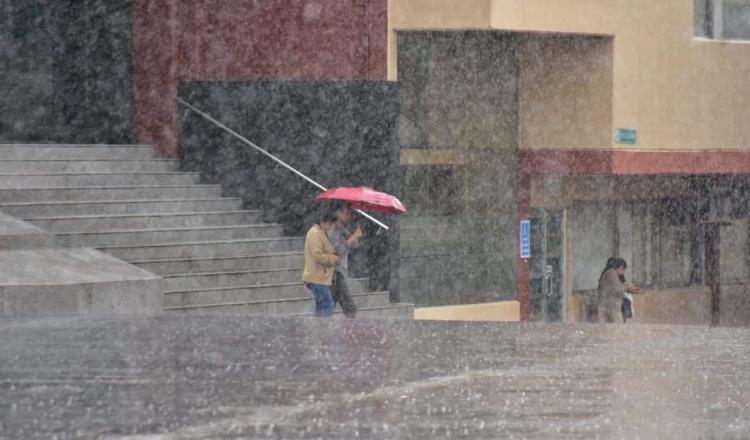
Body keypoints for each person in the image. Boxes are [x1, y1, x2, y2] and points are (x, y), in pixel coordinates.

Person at [327, 203, 364, 318]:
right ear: (339, 214)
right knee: (350, 307)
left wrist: (355, 235)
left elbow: (355, 245)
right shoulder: (334, 229)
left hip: (337, 272)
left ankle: (321, 327)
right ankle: (351, 332)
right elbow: (339, 250)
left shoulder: (342, 228)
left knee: (329, 306)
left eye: (351, 214)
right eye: (347, 214)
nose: (349, 217)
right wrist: (353, 237)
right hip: (335, 272)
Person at [302, 209, 340, 317]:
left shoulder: (320, 232)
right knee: (327, 305)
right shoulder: (315, 233)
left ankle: (317, 330)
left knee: (321, 306)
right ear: (324, 222)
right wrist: (333, 259)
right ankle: (324, 330)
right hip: (316, 277)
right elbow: (317, 255)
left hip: (318, 277)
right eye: (330, 224)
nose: (331, 227)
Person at [597, 258, 644, 323]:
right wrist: (628, 286)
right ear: (621, 267)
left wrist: (632, 289)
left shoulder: (609, 273)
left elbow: (615, 288)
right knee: (618, 328)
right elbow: (618, 288)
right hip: (610, 307)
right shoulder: (611, 273)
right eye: (623, 270)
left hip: (607, 306)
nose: (623, 273)